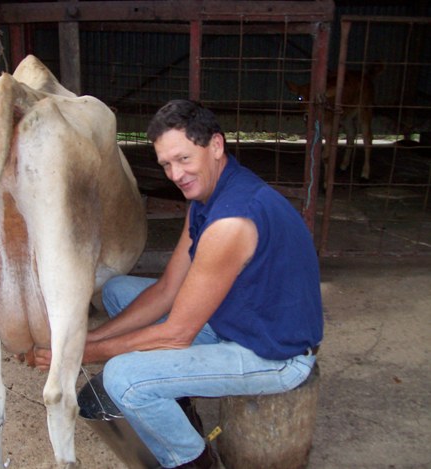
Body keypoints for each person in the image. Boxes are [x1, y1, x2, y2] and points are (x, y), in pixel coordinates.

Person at [33, 99, 323, 469]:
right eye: (166, 164)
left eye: (184, 159)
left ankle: (195, 461)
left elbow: (176, 335)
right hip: (238, 322)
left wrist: (79, 354)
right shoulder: (207, 197)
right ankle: (178, 404)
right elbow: (167, 289)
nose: (175, 174)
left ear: (215, 146)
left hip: (275, 355)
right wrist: (86, 341)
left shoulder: (230, 223)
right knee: (118, 290)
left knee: (124, 380)